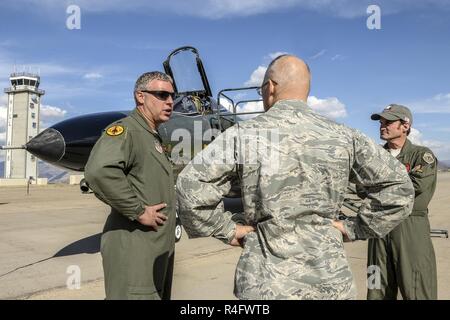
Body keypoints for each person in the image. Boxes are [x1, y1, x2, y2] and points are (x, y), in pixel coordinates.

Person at [176, 55, 415, 299]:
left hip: (265, 283)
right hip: (329, 283)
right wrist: (353, 228)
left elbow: (188, 187)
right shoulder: (345, 136)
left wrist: (227, 229)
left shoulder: (243, 135)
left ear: (270, 87)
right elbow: (400, 189)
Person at [84, 71, 176, 300]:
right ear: (140, 96)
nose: (170, 102)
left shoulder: (151, 136)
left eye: (172, 96)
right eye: (162, 95)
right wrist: (138, 210)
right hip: (134, 248)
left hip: (153, 249)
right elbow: (99, 171)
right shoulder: (127, 130)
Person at [367, 104, 438, 300]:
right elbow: (361, 188)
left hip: (410, 228)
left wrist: (377, 185)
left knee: (417, 288)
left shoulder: (422, 156)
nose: (382, 126)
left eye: (388, 122)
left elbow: (413, 187)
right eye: (381, 122)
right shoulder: (374, 157)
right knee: (376, 287)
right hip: (378, 229)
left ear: (405, 125)